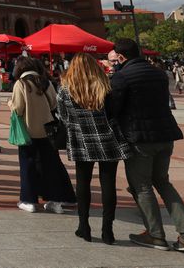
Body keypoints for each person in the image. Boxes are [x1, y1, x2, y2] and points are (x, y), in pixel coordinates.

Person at [109, 39, 184, 252]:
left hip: (139, 138)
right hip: (165, 135)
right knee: (163, 182)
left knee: (141, 187)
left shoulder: (122, 77)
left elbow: (114, 107)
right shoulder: (158, 73)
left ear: (121, 57)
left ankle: (155, 234)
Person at [57, 53, 129, 245]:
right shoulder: (105, 86)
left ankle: (84, 227)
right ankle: (108, 231)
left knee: (82, 183)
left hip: (81, 139)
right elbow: (114, 112)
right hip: (107, 139)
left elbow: (63, 116)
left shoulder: (65, 89)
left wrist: (78, 124)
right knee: (108, 184)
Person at [8, 56, 75, 214]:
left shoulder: (21, 83)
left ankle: (29, 200)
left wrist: (10, 104)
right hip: (48, 131)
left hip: (28, 131)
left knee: (28, 166)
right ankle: (55, 201)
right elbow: (54, 103)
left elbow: (18, 108)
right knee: (50, 166)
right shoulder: (46, 82)